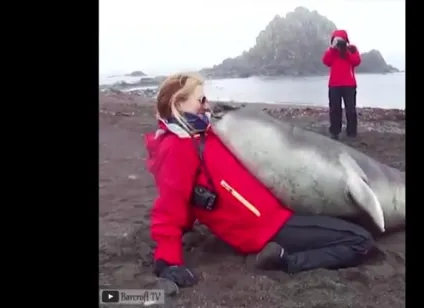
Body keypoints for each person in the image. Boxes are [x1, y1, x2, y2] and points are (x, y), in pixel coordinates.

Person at [144, 72, 374, 288]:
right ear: (179, 104)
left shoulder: (203, 135)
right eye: (201, 100)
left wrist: (187, 228)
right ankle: (287, 262)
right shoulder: (178, 147)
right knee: (360, 241)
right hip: (263, 230)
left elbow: (198, 190)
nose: (207, 106)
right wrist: (168, 260)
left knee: (351, 225)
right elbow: (170, 205)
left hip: (275, 215)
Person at [322, 29, 362, 140]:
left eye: (341, 40)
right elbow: (326, 61)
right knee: (334, 109)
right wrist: (332, 48)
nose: (339, 43)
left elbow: (357, 61)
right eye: (336, 40)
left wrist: (346, 52)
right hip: (334, 85)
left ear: (346, 40)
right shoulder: (332, 51)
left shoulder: (352, 49)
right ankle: (334, 131)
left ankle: (352, 133)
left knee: (351, 110)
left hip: (349, 85)